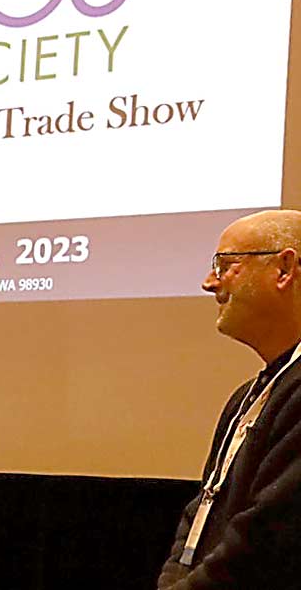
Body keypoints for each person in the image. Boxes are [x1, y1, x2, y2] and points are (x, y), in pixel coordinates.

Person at [158, 209, 301, 589]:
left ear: (284, 269)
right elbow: (199, 515)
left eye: (224, 265)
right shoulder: (246, 397)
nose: (209, 282)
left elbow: (268, 540)